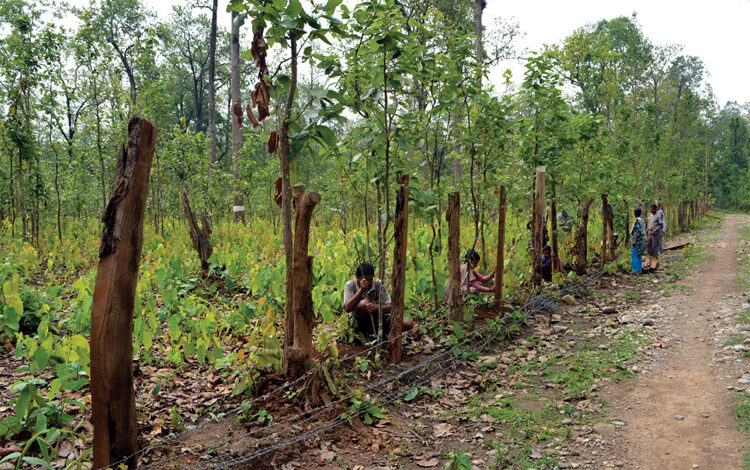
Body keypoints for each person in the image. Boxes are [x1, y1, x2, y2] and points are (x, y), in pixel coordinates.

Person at [343, 262, 415, 337]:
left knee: (408, 323)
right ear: (357, 277)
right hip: (357, 320)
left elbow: (390, 307)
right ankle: (363, 333)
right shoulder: (350, 285)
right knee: (363, 303)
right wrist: (361, 290)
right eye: (366, 280)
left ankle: (383, 333)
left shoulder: (378, 284)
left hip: (377, 318)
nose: (369, 282)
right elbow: (347, 308)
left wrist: (376, 307)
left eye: (370, 279)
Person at [646, 203, 663, 271]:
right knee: (649, 245)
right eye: (650, 209)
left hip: (655, 233)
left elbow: (661, 225)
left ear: (656, 209)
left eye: (652, 209)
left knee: (654, 247)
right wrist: (648, 229)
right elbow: (652, 223)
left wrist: (655, 230)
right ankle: (649, 260)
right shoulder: (652, 215)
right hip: (650, 232)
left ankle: (655, 262)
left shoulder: (658, 216)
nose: (651, 210)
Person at [630, 208, 646, 273]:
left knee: (634, 254)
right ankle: (639, 269)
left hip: (637, 241)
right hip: (641, 240)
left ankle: (635, 269)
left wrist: (635, 241)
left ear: (635, 213)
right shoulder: (641, 220)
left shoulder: (637, 221)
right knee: (639, 254)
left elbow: (637, 232)